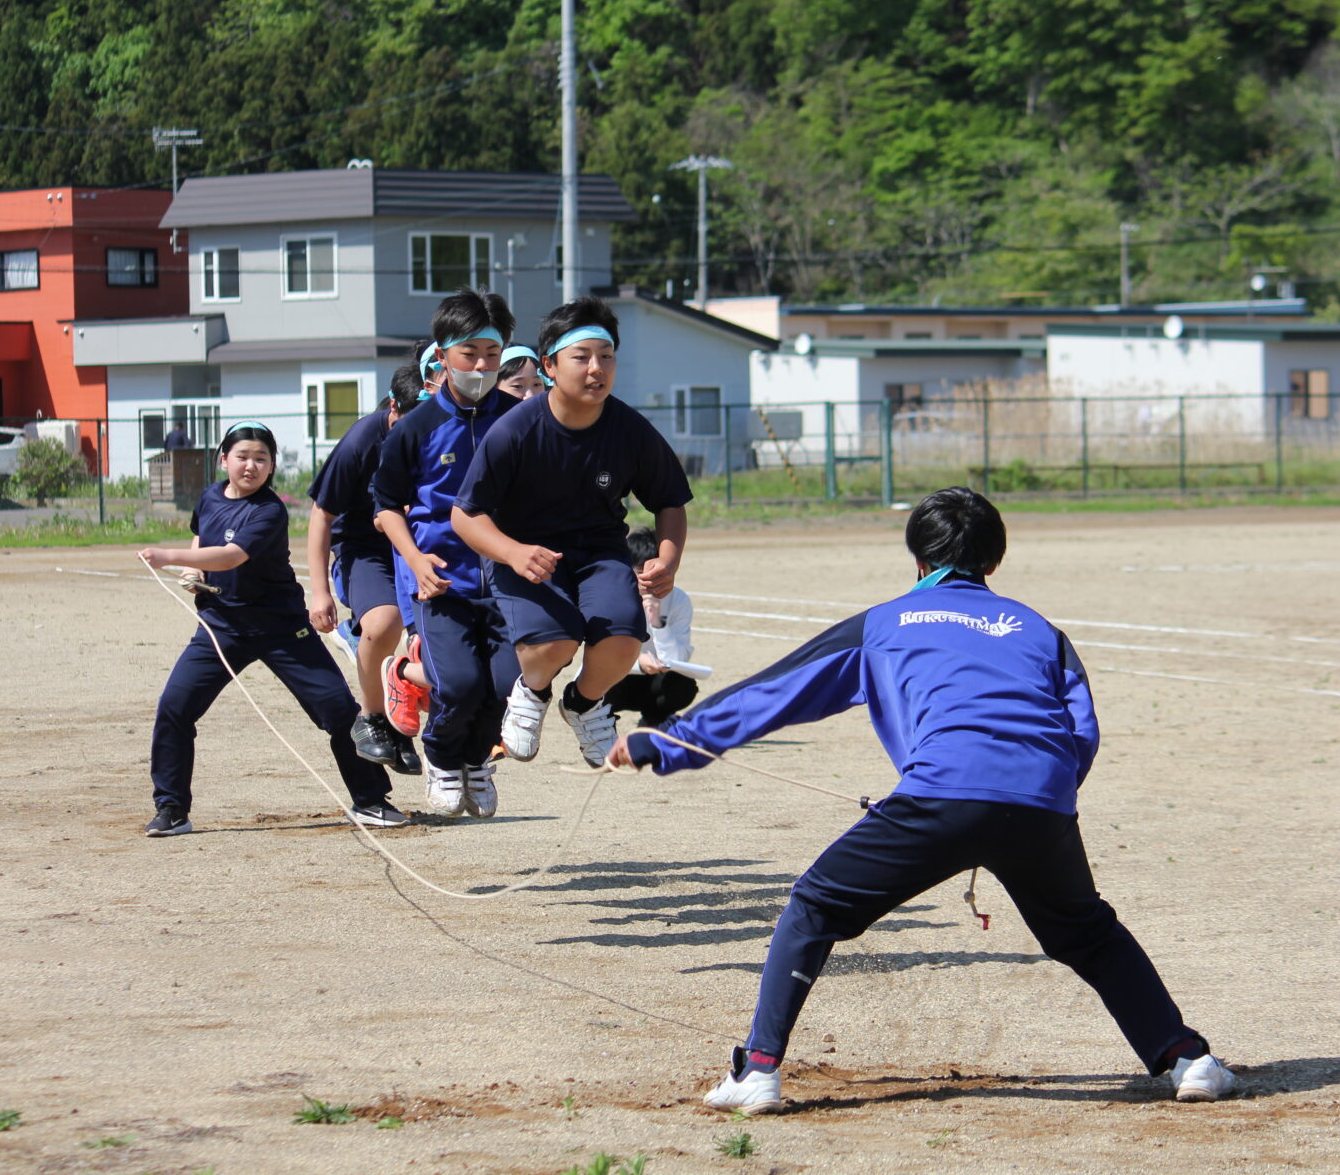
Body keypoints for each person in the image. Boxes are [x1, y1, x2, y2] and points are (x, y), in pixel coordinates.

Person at [610, 487, 1239, 1112]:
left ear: (916, 558)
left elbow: (776, 693)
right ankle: (1190, 1059)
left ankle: (758, 1071)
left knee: (814, 906)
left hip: (940, 796)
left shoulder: (885, 622)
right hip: (1042, 802)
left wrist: (666, 743)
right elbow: (1080, 732)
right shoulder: (1041, 630)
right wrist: (1029, 800)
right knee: (1087, 932)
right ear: (993, 562)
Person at [452, 296, 692, 768]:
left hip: (599, 553)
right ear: (550, 365)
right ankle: (532, 691)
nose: (595, 368)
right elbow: (465, 515)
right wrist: (513, 552)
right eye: (581, 357)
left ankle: (583, 704)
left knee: (624, 640)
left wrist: (668, 558)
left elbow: (670, 501)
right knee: (556, 642)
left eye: (606, 357)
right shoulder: (516, 430)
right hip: (525, 553)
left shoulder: (630, 430)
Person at [138, 422, 409, 837]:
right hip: (221, 626)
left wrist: (166, 555)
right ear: (223, 459)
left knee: (337, 710)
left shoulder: (268, 510)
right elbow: (202, 539)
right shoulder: (210, 496)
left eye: (261, 459)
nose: (251, 465)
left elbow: (230, 556)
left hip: (281, 628)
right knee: (175, 708)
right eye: (242, 457)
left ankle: (371, 800)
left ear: (272, 467)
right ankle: (172, 808)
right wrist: (192, 565)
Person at [373, 290, 521, 818]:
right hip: (443, 583)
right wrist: (415, 562)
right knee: (457, 685)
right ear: (442, 356)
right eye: (469, 353)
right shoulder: (416, 428)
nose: (482, 365)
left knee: (506, 687)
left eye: (492, 352)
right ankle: (440, 757)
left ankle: (478, 760)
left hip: (510, 583)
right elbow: (386, 507)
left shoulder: (522, 419)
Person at [304, 363, 426, 777]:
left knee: (437, 642)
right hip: (365, 550)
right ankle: (373, 718)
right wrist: (320, 592)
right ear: (394, 408)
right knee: (383, 623)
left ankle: (404, 724)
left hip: (421, 545)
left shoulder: (448, 432)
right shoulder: (362, 441)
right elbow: (321, 514)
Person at [604, 525, 699, 729]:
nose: (647, 581)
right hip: (617, 678)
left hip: (654, 679)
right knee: (600, 681)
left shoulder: (678, 600)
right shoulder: (609, 597)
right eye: (640, 573)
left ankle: (653, 720)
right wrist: (637, 663)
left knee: (683, 687)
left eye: (655, 573)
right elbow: (600, 657)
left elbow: (677, 660)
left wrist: (658, 622)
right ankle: (601, 723)